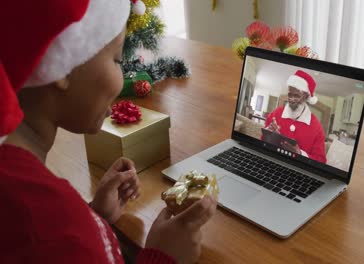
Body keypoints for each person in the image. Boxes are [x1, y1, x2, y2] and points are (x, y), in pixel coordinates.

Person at [0, 1, 217, 263]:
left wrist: (94, 217)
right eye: (117, 59)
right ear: (64, 64)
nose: (123, 76)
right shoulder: (55, 228)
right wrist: (162, 257)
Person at [264, 70, 327, 163]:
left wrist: (300, 154)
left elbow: (321, 161)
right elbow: (262, 143)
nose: (291, 100)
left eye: (296, 95)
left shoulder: (317, 127)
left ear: (306, 96)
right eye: (290, 94)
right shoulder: (275, 114)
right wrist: (267, 135)